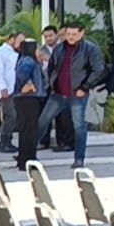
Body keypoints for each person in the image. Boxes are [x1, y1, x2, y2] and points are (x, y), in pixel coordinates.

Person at [37, 22, 107, 169]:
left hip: (77, 95)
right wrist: (52, 84)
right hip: (57, 94)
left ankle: (79, 159)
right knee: (42, 122)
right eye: (68, 34)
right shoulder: (59, 48)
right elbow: (51, 67)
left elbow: (99, 69)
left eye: (74, 34)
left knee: (79, 126)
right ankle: (27, 154)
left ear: (81, 33)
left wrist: (85, 87)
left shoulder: (90, 49)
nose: (71, 37)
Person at [12, 40, 49, 171]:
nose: (39, 51)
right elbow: (23, 75)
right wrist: (28, 85)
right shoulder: (28, 61)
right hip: (27, 99)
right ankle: (28, 160)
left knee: (27, 130)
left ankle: (25, 159)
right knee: (29, 130)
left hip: (27, 99)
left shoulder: (28, 60)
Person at [0, 28, 25, 155]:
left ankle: (7, 141)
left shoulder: (16, 53)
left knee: (13, 116)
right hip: (6, 90)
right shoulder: (0, 53)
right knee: (10, 116)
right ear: (12, 39)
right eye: (20, 41)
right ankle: (4, 142)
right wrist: (2, 87)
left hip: (15, 90)